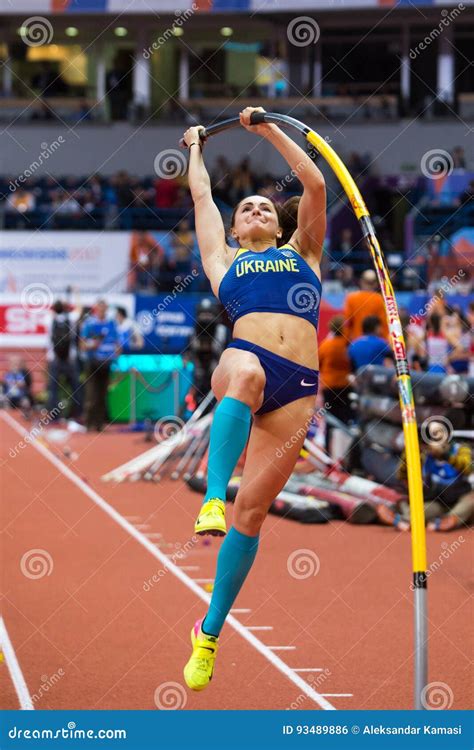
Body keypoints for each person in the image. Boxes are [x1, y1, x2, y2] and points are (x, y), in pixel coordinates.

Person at [181, 106, 326, 691]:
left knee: (255, 514)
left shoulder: (305, 252)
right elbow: (201, 199)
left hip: (298, 388)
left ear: (278, 220)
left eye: (266, 204)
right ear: (237, 230)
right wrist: (196, 147)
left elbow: (315, 182)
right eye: (247, 208)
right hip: (249, 364)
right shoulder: (225, 261)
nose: (257, 209)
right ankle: (212, 496)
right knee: (240, 370)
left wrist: (267, 130)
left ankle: (208, 634)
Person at [80, 300, 121, 431]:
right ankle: (88, 423)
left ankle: (99, 424)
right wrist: (93, 344)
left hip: (107, 363)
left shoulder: (111, 324)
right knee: (92, 394)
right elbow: (82, 344)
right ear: (96, 309)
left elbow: (117, 344)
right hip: (93, 363)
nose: (102, 310)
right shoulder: (89, 323)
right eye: (100, 307)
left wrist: (116, 356)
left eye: (104, 307)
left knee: (103, 394)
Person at [318, 315, 352, 452]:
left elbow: (318, 363)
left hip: (329, 386)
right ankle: (344, 452)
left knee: (329, 420)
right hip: (345, 385)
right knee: (344, 419)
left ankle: (328, 450)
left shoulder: (326, 345)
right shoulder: (347, 344)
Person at [47, 300, 81, 420]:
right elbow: (79, 310)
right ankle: (77, 414)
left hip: (54, 357)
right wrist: (76, 292)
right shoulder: (71, 318)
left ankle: (54, 416)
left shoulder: (49, 319)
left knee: (53, 388)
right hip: (70, 358)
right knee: (75, 387)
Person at [344, 269, 389, 341]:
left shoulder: (351, 298)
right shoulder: (379, 299)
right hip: (374, 343)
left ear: (361, 281)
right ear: (376, 284)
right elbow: (383, 325)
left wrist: (346, 342)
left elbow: (347, 323)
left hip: (356, 342)